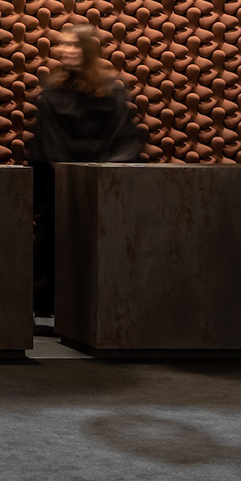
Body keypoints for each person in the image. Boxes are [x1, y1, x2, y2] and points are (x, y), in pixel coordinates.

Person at [24, 22, 144, 314]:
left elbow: (122, 141)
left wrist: (102, 176)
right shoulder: (52, 92)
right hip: (61, 188)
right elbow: (49, 144)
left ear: (88, 50)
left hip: (101, 187)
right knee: (52, 248)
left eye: (74, 45)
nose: (66, 50)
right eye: (63, 44)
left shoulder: (111, 92)